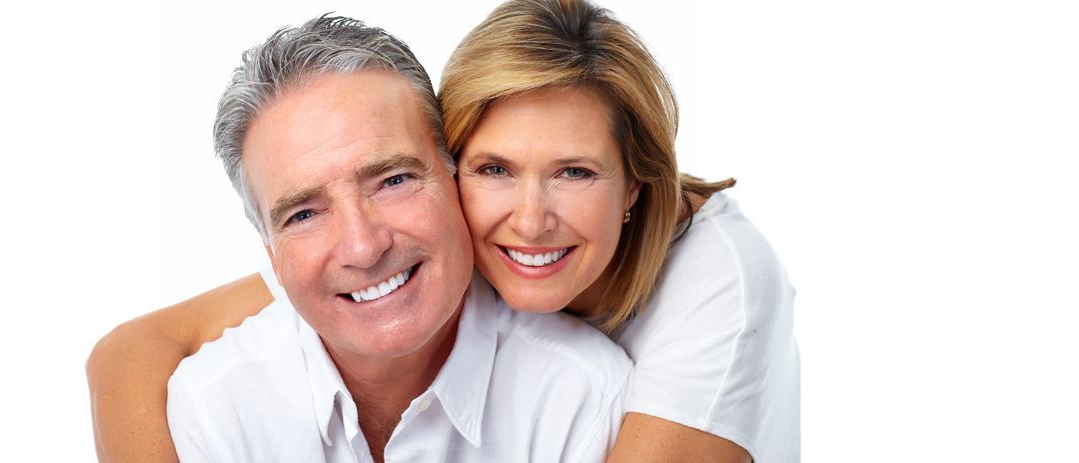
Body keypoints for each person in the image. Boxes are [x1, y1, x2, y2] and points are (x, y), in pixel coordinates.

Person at [88, 0, 799, 461]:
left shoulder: (715, 293)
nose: (528, 218)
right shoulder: (367, 242)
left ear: (635, 186)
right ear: (455, 168)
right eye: (494, 167)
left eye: (576, 172)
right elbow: (128, 349)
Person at [162, 14, 632, 463]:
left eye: (393, 181)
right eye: (303, 214)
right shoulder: (213, 410)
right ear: (272, 254)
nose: (364, 248)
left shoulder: (586, 397)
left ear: (456, 178)